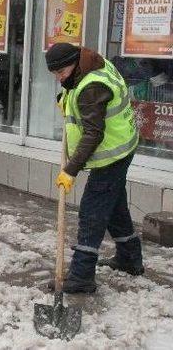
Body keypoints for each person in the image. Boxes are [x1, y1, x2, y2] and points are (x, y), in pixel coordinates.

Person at [47, 43, 143, 294]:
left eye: (62, 72)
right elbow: (78, 92)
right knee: (114, 206)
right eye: (55, 74)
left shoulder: (92, 86)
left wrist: (70, 170)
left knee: (92, 214)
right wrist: (65, 100)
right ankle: (130, 259)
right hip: (122, 146)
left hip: (110, 155)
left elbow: (93, 133)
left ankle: (81, 276)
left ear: (75, 64)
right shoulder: (93, 64)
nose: (59, 78)